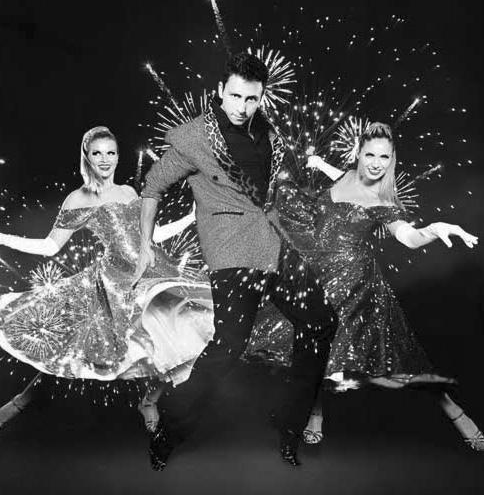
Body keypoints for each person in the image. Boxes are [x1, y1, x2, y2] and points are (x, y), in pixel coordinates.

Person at [133, 52, 337, 469]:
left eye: (252, 98)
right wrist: (145, 245)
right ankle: (170, 429)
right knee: (228, 348)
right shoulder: (195, 138)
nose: (243, 107)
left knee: (320, 320)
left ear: (262, 97)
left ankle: (290, 423)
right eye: (236, 96)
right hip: (230, 250)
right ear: (220, 91)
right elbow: (152, 186)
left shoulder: (267, 131)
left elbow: (267, 190)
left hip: (272, 242)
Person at [248, 122, 483, 450]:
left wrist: (433, 229)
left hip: (358, 286)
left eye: (384, 157)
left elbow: (408, 237)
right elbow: (340, 179)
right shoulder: (346, 175)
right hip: (318, 273)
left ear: (392, 159)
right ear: (358, 153)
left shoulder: (381, 201)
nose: (376, 163)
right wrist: (320, 164)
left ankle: (455, 412)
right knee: (313, 347)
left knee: (398, 358)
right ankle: (315, 412)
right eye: (370, 155)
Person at [0, 126, 214, 430]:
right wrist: (2, 238)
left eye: (110, 153)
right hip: (112, 282)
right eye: (97, 153)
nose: (104, 159)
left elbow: (150, 237)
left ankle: (149, 400)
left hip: (151, 274)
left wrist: (190, 218)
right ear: (86, 157)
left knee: (182, 333)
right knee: (71, 346)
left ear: (117, 156)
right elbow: (50, 247)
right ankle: (22, 400)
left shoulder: (128, 192)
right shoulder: (78, 199)